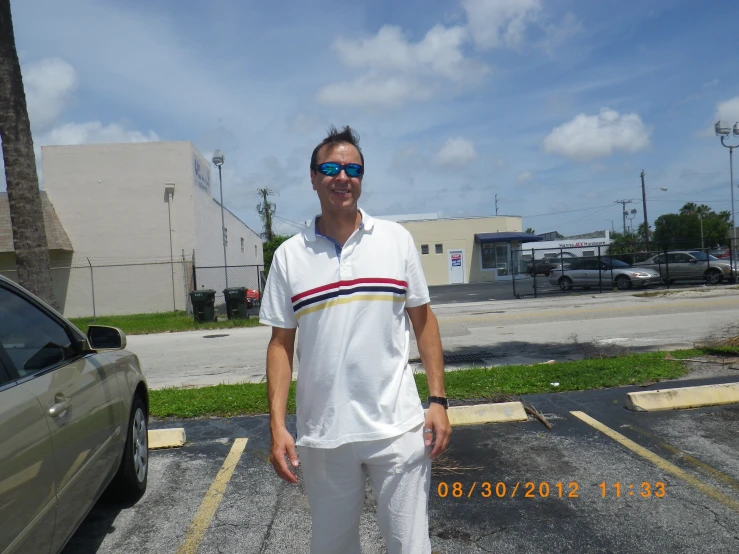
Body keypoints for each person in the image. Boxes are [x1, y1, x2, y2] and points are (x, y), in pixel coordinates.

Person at [259, 125, 451, 554]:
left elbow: (424, 323)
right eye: (330, 168)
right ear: (313, 177)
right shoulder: (289, 256)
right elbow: (279, 345)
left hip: (398, 428)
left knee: (410, 546)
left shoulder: (395, 240)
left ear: (362, 178)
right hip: (324, 434)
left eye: (352, 169)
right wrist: (276, 426)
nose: (341, 177)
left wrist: (437, 402)